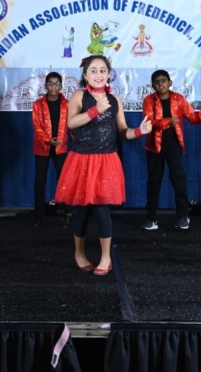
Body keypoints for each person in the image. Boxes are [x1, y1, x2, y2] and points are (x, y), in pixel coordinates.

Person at [54, 55, 152, 275]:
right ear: (85, 75)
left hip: (106, 160)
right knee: (81, 210)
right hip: (81, 160)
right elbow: (71, 123)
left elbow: (123, 131)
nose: (98, 74)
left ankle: (106, 258)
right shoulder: (79, 96)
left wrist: (139, 131)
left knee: (102, 210)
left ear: (109, 74)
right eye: (93, 70)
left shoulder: (115, 100)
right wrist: (95, 110)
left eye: (102, 70)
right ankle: (79, 253)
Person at [141, 70, 201, 231]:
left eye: (163, 80)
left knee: (178, 180)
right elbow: (149, 122)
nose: (160, 84)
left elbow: (193, 117)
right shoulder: (149, 100)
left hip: (173, 145)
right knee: (153, 182)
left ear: (170, 83)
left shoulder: (179, 99)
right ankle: (151, 218)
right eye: (157, 82)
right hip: (154, 146)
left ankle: (183, 216)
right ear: (153, 85)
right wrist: (167, 122)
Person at [32, 72, 72, 228]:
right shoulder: (37, 104)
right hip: (42, 147)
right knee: (40, 181)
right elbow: (37, 127)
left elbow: (72, 124)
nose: (53, 87)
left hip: (60, 147)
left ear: (61, 86)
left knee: (64, 180)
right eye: (50, 83)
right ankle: (39, 216)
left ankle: (68, 214)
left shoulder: (67, 104)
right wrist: (48, 140)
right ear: (45, 86)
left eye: (57, 84)